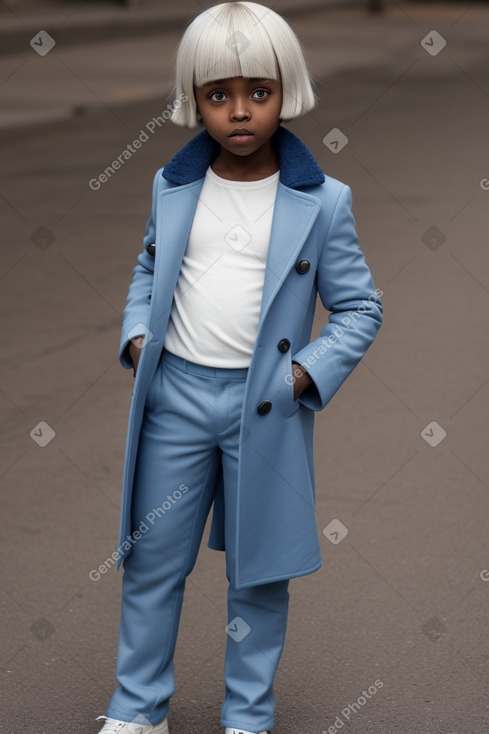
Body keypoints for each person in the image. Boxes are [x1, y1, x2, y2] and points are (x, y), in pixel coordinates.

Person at [95, 2, 383, 733]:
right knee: (151, 562)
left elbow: (359, 309)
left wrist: (303, 376)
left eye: (259, 91)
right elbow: (147, 267)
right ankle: (136, 711)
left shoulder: (323, 202)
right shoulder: (173, 184)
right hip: (176, 398)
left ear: (287, 90)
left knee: (259, 572)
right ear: (193, 99)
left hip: (265, 406)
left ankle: (247, 716)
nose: (240, 112)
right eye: (217, 94)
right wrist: (137, 336)